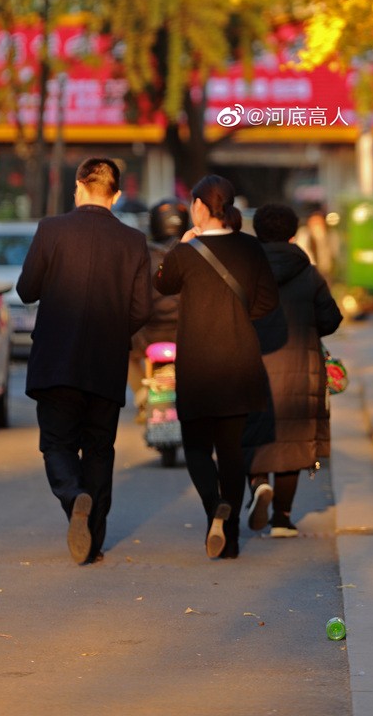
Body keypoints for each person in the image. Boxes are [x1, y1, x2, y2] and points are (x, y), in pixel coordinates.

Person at [16, 157, 153, 565]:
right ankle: (92, 543)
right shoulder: (133, 242)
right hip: (105, 364)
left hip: (56, 360)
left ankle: (74, 497)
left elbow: (26, 289)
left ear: (79, 185)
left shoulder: (51, 230)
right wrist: (113, 331)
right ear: (117, 193)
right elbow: (142, 309)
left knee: (57, 444)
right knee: (99, 449)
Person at [153, 174, 278, 560]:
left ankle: (214, 511)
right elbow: (267, 302)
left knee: (194, 447)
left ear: (202, 207)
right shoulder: (252, 249)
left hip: (198, 365)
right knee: (232, 452)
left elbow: (163, 284)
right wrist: (241, 320)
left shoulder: (187, 254)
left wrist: (182, 243)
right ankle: (232, 538)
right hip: (240, 362)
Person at [246, 203, 342, 537]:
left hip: (252, 364)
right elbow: (331, 319)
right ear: (292, 232)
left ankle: (258, 483)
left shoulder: (245, 270)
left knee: (253, 432)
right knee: (293, 440)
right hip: (301, 366)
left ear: (256, 232)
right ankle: (282, 518)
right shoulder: (308, 271)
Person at [128, 197, 190, 418]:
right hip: (186, 335)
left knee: (123, 352)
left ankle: (143, 397)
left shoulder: (142, 254)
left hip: (149, 335)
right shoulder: (193, 251)